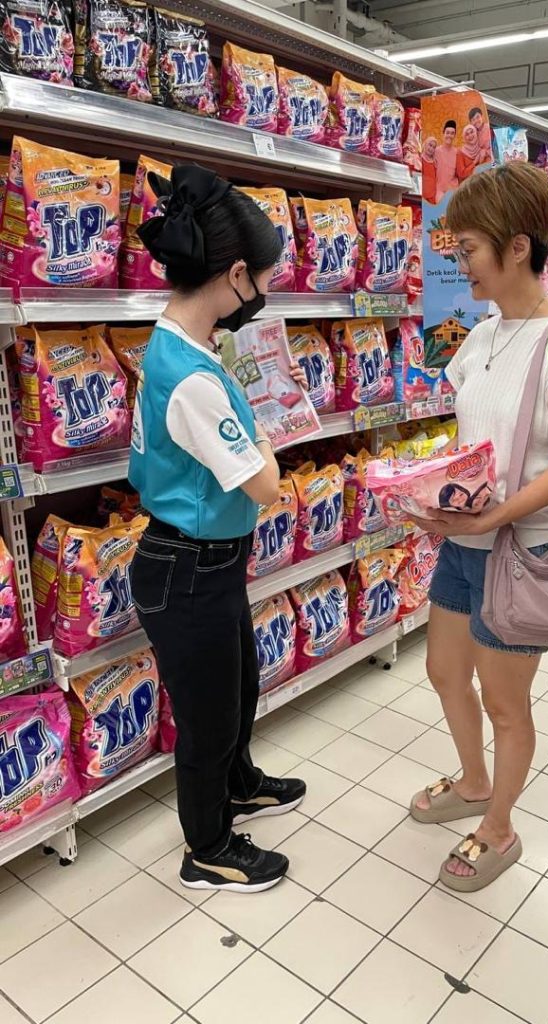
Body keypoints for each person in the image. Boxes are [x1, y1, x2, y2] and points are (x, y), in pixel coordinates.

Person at [409, 162, 548, 892]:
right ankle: (473, 782)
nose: (458, 262)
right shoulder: (482, 335)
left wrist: (492, 513)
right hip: (464, 540)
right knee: (443, 671)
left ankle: (499, 828)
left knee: (505, 702)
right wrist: (429, 485)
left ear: (517, 247)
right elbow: (478, 442)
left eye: (468, 248)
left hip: (522, 548)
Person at [128, 164, 308, 894]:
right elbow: (264, 484)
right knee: (207, 718)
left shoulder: (186, 345)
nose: (262, 295)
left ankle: (240, 784)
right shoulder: (194, 377)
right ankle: (207, 848)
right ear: (235, 276)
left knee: (238, 690)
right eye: (262, 281)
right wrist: (265, 432)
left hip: (206, 563)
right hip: (187, 568)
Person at [434, 120, 459, 201]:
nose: (449, 135)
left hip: (453, 191)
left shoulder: (458, 153)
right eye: (447, 133)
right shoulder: (435, 151)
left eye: (452, 133)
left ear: (454, 135)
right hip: (439, 190)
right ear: (443, 133)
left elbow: (460, 173)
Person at [422, 135, 438, 205]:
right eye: (430, 145)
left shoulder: (435, 162)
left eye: (434, 147)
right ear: (425, 144)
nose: (431, 148)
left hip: (433, 194)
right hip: (423, 193)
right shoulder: (420, 159)